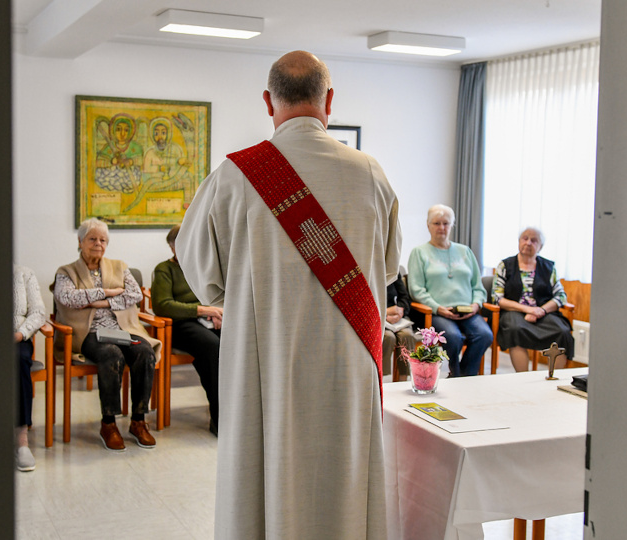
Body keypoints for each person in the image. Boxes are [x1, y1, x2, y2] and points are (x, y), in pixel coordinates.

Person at [176, 50, 400, 540]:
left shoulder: (235, 175)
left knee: (263, 471)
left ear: (268, 101)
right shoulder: (370, 173)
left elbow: (202, 275)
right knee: (345, 478)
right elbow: (386, 272)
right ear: (330, 101)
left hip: (265, 360)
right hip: (346, 364)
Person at [53, 218, 160, 452]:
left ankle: (139, 420)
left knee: (144, 352)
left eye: (103, 240)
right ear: (80, 241)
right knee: (112, 356)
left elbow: (135, 295)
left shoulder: (120, 266)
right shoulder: (66, 272)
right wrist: (109, 292)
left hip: (123, 328)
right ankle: (109, 424)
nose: (98, 243)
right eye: (92, 238)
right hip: (89, 332)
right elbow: (68, 298)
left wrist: (96, 301)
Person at [151, 224, 221, 436]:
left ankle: (242, 411)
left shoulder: (203, 266)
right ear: (172, 247)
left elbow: (218, 294)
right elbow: (163, 305)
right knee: (212, 347)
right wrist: (200, 310)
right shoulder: (164, 269)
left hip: (209, 319)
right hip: (180, 324)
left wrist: (218, 312)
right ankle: (219, 417)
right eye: (180, 244)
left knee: (237, 342)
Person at [407, 204, 492, 377]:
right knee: (453, 338)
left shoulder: (465, 251)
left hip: (468, 311)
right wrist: (438, 308)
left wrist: (476, 305)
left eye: (446, 223)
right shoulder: (419, 253)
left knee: (484, 334)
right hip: (437, 312)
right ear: (428, 225)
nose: (441, 227)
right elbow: (416, 289)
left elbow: (478, 286)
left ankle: (463, 376)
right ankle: (457, 374)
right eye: (436, 223)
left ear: (452, 225)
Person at [491, 227, 574, 371]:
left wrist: (541, 310)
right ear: (519, 241)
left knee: (562, 331)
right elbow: (497, 298)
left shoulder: (549, 267)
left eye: (534, 240)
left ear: (540, 246)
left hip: (543, 312)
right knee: (515, 329)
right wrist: (528, 309)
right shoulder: (505, 265)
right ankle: (523, 378)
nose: (528, 243)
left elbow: (561, 296)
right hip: (513, 311)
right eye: (525, 238)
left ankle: (553, 379)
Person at [13, 264, 46, 472]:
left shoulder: (24, 273)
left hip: (17, 336)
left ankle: (21, 439)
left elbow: (39, 313)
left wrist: (20, 334)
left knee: (18, 361)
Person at [383, 272, 417, 381]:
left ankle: (403, 380)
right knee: (388, 337)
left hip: (397, 318)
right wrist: (384, 313)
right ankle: (381, 381)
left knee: (407, 335)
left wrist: (399, 312)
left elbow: (405, 298)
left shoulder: (394, 271)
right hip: (376, 317)